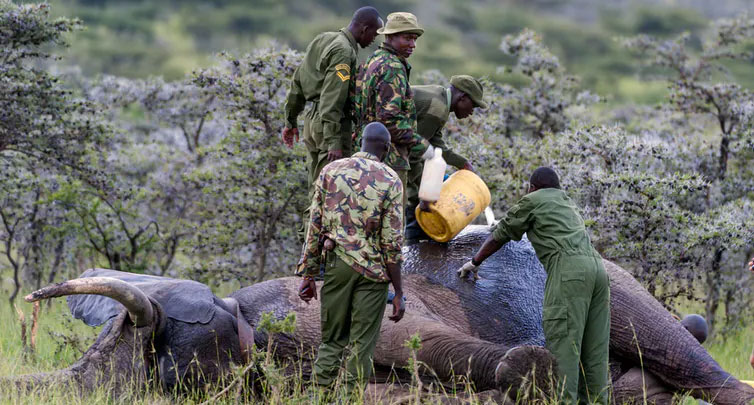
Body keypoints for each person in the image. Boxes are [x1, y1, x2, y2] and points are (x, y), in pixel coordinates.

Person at [455, 167, 610, 404]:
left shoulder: (532, 200)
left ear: (533, 188)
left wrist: (475, 262)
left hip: (569, 271)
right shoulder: (566, 201)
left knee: (565, 346)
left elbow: (500, 234)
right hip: (598, 271)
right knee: (595, 350)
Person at [297, 122, 406, 395]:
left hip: (337, 264)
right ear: (387, 148)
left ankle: (317, 399)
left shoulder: (330, 171)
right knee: (361, 347)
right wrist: (399, 292)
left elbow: (314, 225)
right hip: (374, 274)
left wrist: (308, 273)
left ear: (360, 142)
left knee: (332, 341)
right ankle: (348, 399)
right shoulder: (391, 180)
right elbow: (392, 242)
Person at [282, 7, 383, 240]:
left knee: (317, 187)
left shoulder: (323, 39)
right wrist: (334, 142)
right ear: (364, 28)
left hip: (311, 122)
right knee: (330, 192)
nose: (374, 40)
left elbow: (298, 81)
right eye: (374, 34)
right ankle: (313, 254)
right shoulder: (344, 52)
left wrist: (291, 120)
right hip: (330, 126)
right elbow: (331, 101)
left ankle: (312, 250)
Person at [353, 12, 426, 208]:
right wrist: (423, 146)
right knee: (391, 223)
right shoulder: (392, 67)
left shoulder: (372, 60)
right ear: (390, 37)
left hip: (363, 154)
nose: (413, 44)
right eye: (407, 38)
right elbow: (389, 121)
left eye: (415, 39)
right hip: (389, 159)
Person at [405, 75, 488, 240]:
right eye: (473, 105)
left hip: (390, 142)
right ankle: (413, 247)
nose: (472, 112)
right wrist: (423, 193)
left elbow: (435, 143)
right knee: (418, 203)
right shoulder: (437, 109)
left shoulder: (441, 98)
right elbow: (412, 150)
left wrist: (461, 163)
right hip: (382, 145)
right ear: (462, 97)